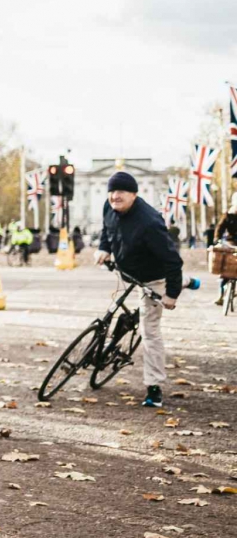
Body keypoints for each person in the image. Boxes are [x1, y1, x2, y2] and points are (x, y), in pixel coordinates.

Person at [94, 172, 184, 408]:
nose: (115, 196)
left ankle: (154, 387)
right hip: (128, 271)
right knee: (112, 313)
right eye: (112, 191)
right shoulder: (109, 206)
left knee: (149, 330)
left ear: (134, 194)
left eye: (121, 191)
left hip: (153, 279)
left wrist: (171, 295)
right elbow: (107, 229)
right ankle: (186, 282)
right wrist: (104, 248)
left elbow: (173, 261)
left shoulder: (149, 223)